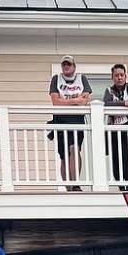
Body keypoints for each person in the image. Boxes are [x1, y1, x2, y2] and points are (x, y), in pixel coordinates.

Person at [48, 55, 92, 192]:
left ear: (74, 66)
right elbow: (55, 102)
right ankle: (68, 187)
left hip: (77, 118)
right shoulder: (56, 79)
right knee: (64, 154)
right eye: (64, 65)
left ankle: (76, 184)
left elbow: (85, 100)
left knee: (75, 148)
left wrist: (66, 101)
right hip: (60, 118)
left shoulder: (81, 78)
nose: (66, 66)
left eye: (69, 64)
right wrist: (75, 100)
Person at [103, 63, 128, 191]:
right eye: (116, 75)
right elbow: (106, 104)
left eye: (122, 75)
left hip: (127, 128)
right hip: (113, 129)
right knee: (115, 157)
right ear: (112, 77)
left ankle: (127, 183)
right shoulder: (109, 90)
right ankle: (120, 184)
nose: (119, 78)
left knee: (125, 156)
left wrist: (118, 104)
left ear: (126, 76)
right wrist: (124, 103)